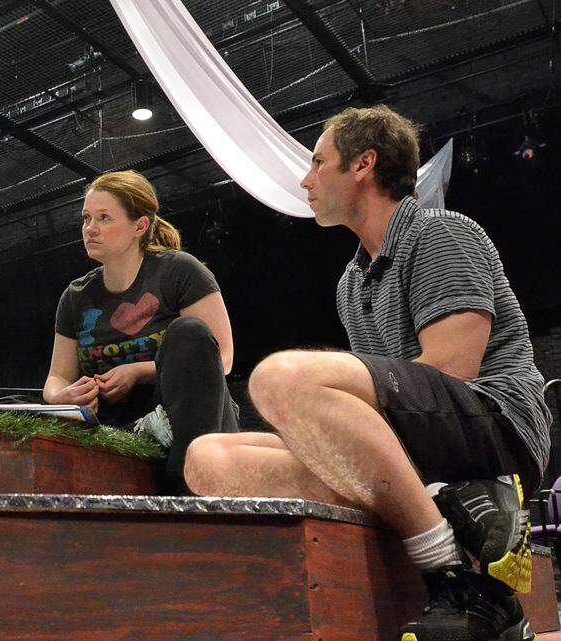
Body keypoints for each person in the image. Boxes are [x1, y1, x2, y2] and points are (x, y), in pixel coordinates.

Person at [183, 105, 550, 641]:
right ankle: (457, 511)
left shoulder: (443, 233)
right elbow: (375, 416)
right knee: (208, 459)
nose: (305, 179)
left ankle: (446, 569)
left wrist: (322, 423)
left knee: (277, 379)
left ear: (363, 165)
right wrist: (329, 437)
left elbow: (454, 369)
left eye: (318, 163)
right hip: (418, 444)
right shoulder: (350, 284)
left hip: (496, 429)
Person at [43, 170, 239, 494]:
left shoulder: (179, 270)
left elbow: (223, 358)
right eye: (86, 218)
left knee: (189, 332)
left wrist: (138, 372)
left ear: (140, 226)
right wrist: (62, 398)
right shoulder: (75, 297)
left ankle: (187, 485)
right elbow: (56, 378)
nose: (90, 229)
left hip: (191, 424)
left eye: (104, 218)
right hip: (119, 430)